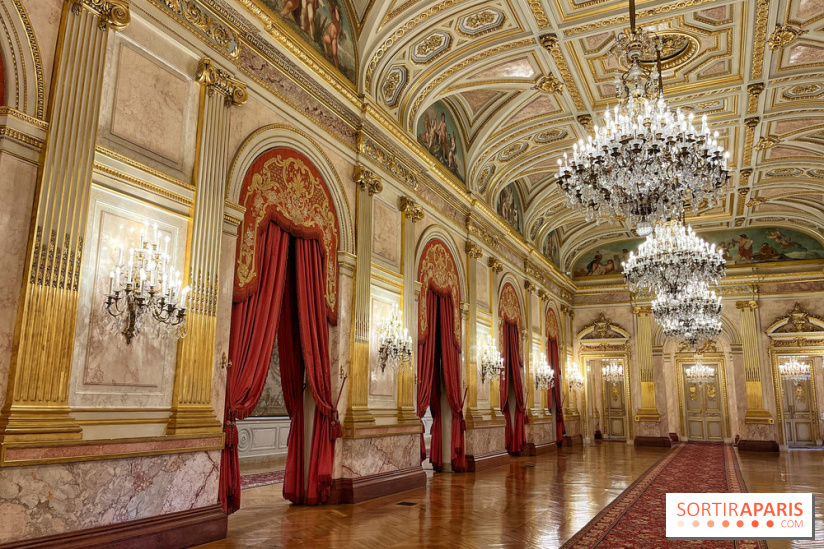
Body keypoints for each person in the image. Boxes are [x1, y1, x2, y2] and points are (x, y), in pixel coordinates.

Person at [323, 1, 342, 69]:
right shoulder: (332, 23)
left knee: (335, 54)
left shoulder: (336, 24)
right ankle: (327, 53)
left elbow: (337, 19)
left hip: (333, 40)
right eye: (332, 16)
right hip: (330, 38)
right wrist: (330, 5)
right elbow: (331, 12)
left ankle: (336, 67)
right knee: (325, 38)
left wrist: (336, 10)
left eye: (333, 16)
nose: (332, 17)